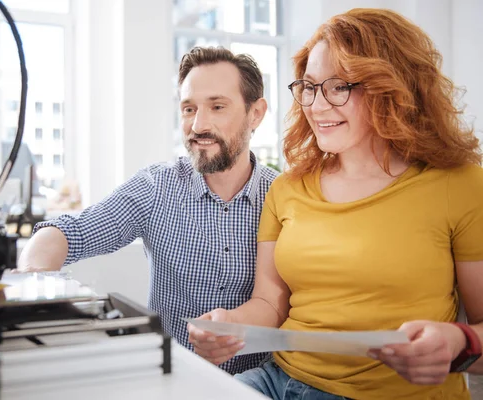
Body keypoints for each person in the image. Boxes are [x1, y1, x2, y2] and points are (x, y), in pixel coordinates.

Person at [188, 8, 483, 399]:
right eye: (309, 86)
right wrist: (230, 325)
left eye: (340, 86)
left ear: (393, 88)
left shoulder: (459, 184)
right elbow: (269, 304)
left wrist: (458, 343)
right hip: (279, 380)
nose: (317, 105)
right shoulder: (288, 188)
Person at [17, 46, 279, 375]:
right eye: (188, 109)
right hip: (171, 379)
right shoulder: (157, 187)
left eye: (217, 107)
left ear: (255, 113)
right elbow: (73, 232)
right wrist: (31, 278)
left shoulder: (284, 197)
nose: (198, 125)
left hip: (259, 386)